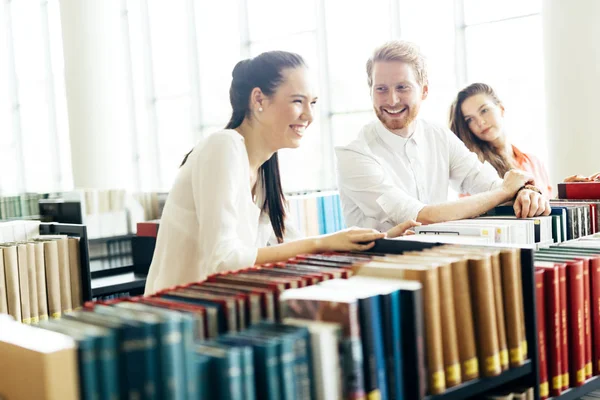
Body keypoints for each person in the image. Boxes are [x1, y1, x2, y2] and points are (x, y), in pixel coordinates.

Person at [144, 51, 417, 295]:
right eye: (298, 101)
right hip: (174, 321)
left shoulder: (265, 170)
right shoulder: (223, 147)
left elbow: (295, 245)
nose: (308, 116)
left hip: (214, 313)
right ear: (259, 99)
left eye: (313, 103)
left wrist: (383, 241)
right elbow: (224, 260)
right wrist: (321, 242)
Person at [335, 40, 551, 232]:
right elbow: (420, 217)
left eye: (403, 87)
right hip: (379, 269)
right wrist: (506, 190)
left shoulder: (438, 136)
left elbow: (482, 181)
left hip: (436, 261)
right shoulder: (354, 154)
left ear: (424, 90)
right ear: (370, 91)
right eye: (381, 89)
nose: (392, 100)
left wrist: (525, 192)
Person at [449, 82, 552, 198]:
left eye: (484, 111)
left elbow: (548, 206)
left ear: (501, 109)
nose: (480, 122)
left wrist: (570, 192)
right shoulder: (475, 172)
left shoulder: (534, 162)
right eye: (470, 120)